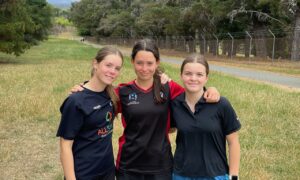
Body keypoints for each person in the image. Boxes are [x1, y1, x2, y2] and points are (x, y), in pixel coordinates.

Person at [71, 39, 220, 180]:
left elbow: (193, 93)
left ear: (157, 63)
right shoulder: (122, 91)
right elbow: (97, 97)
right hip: (129, 165)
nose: (144, 68)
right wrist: (83, 87)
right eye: (139, 63)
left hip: (161, 165)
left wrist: (211, 89)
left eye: (150, 63)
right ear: (132, 62)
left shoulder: (168, 87)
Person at [56, 47, 124, 180]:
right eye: (108, 65)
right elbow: (65, 145)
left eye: (117, 68)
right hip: (84, 173)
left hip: (107, 172)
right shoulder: (76, 101)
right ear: (95, 63)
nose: (112, 71)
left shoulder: (112, 95)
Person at [171, 54, 241, 180]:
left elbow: (233, 142)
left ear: (206, 78)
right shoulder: (175, 104)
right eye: (188, 74)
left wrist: (234, 175)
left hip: (215, 174)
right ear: (181, 75)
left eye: (199, 74)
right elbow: (168, 130)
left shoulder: (221, 104)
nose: (193, 78)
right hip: (181, 175)